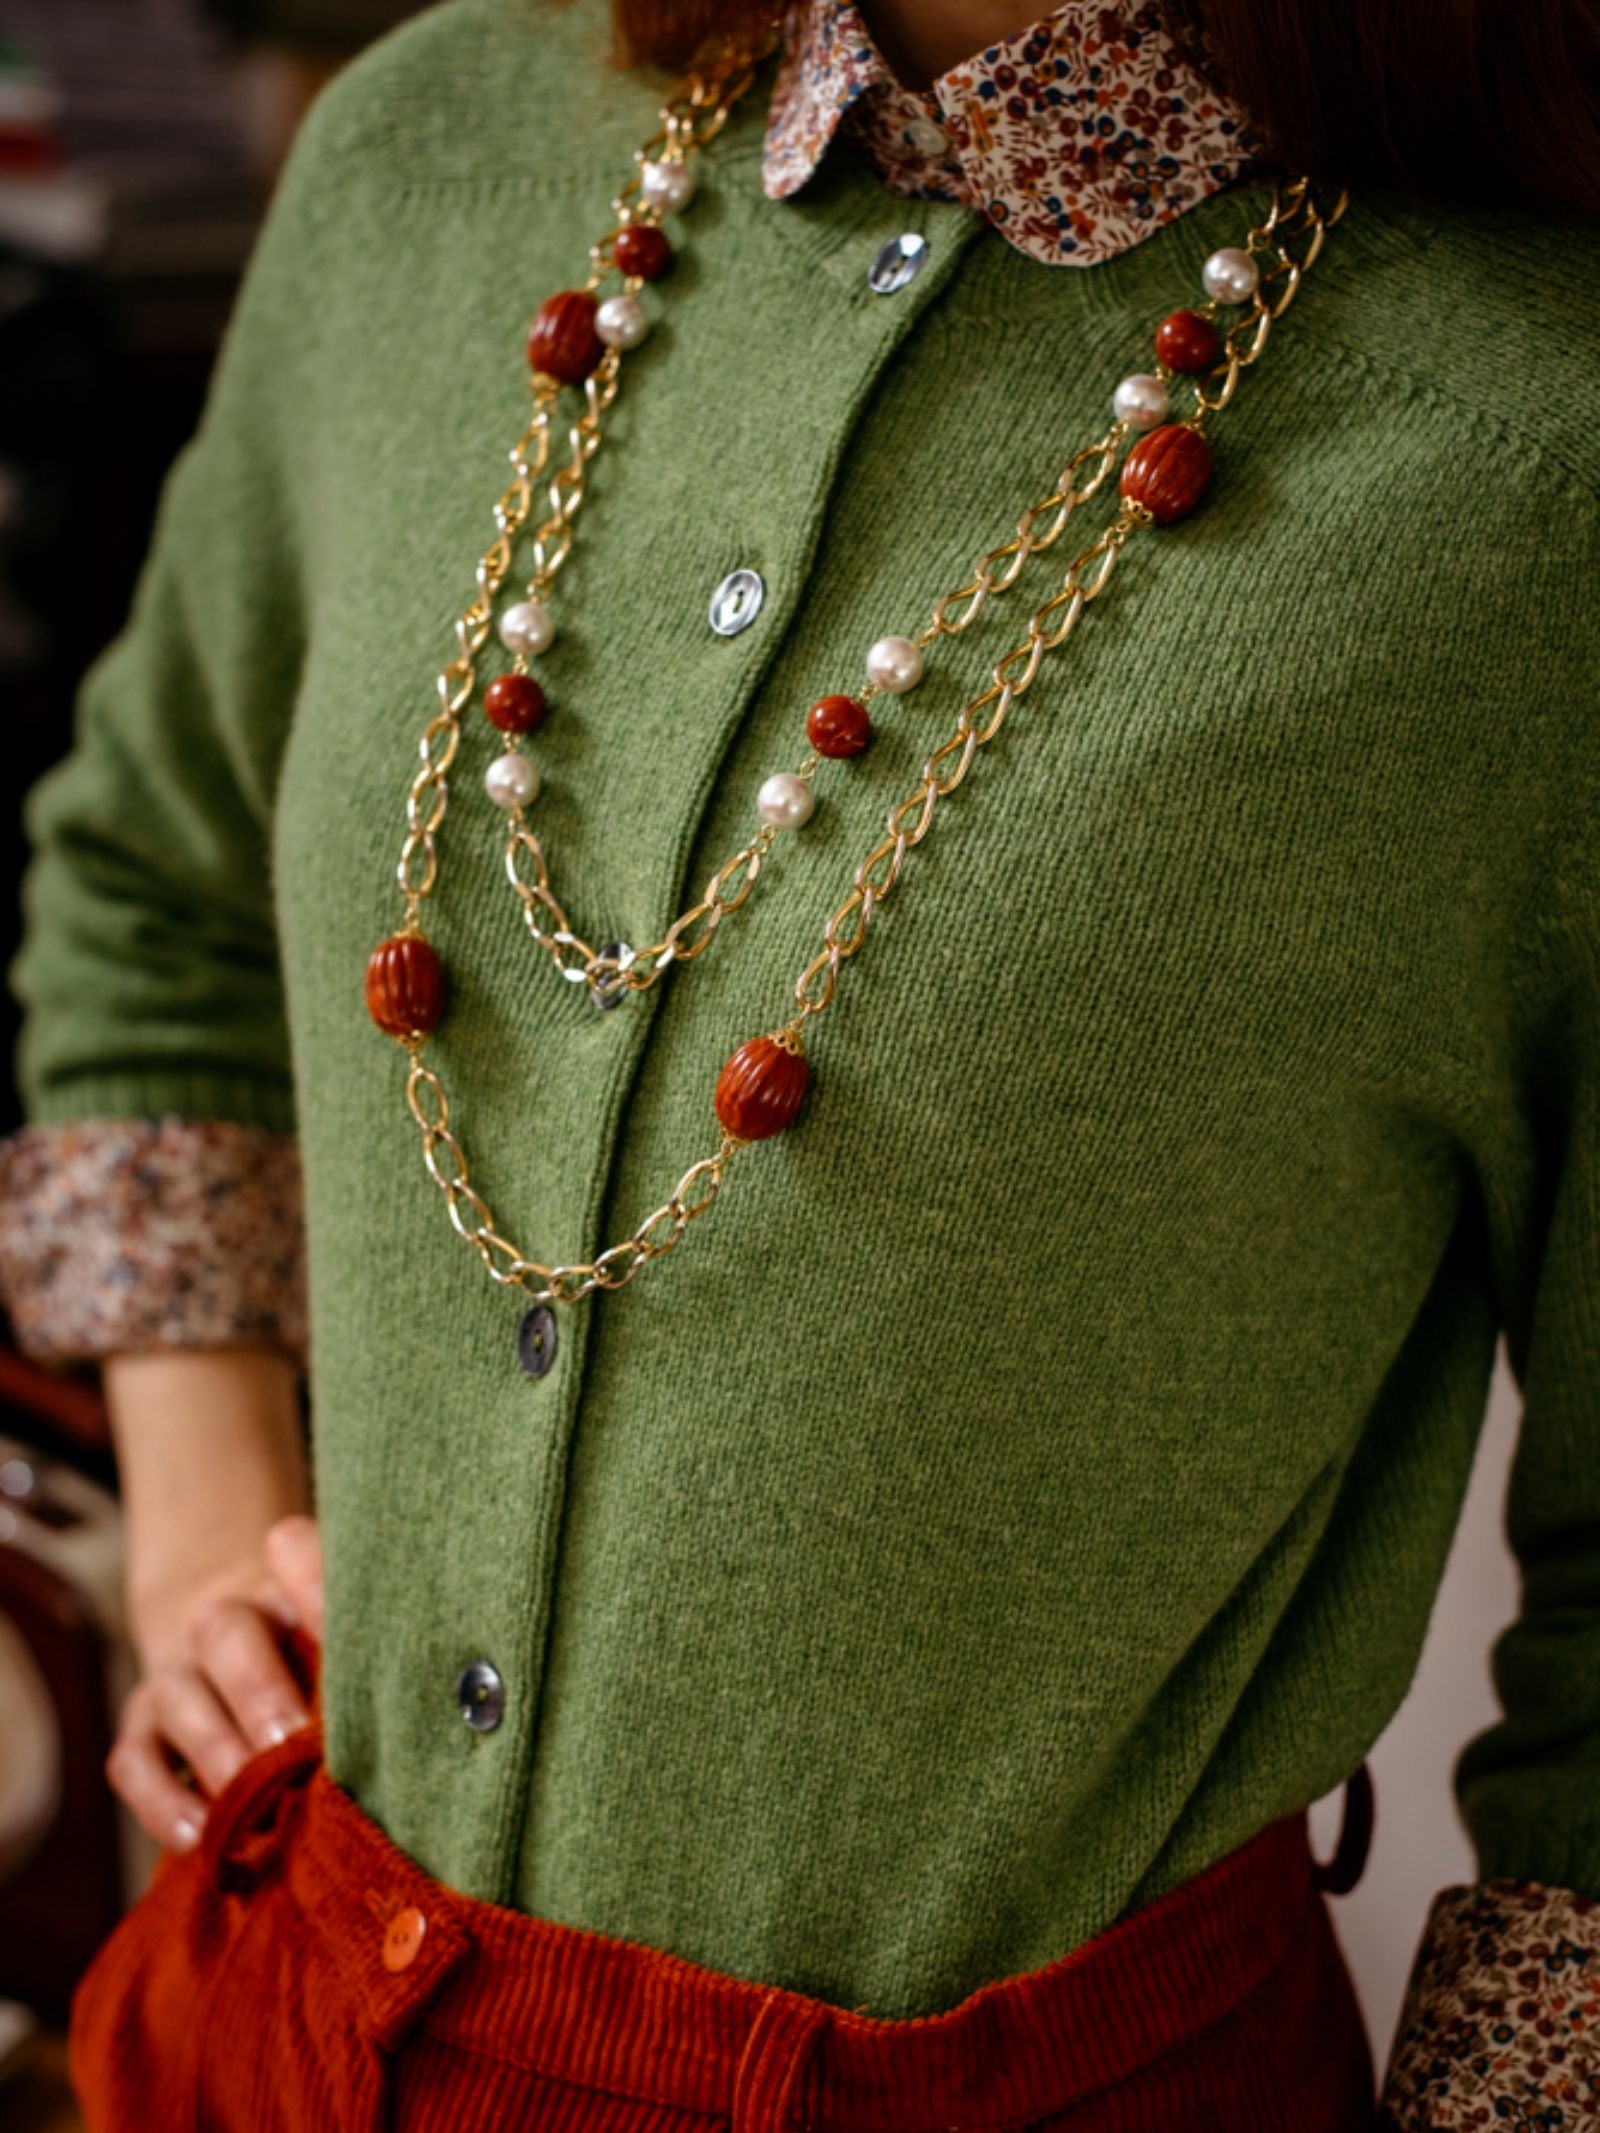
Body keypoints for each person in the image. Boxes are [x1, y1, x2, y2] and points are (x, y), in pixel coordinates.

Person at [2, 0, 1598, 2123]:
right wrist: (204, 1516)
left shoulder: (1540, 463)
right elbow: (151, 872)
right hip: (263, 2017)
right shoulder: (424, 154)